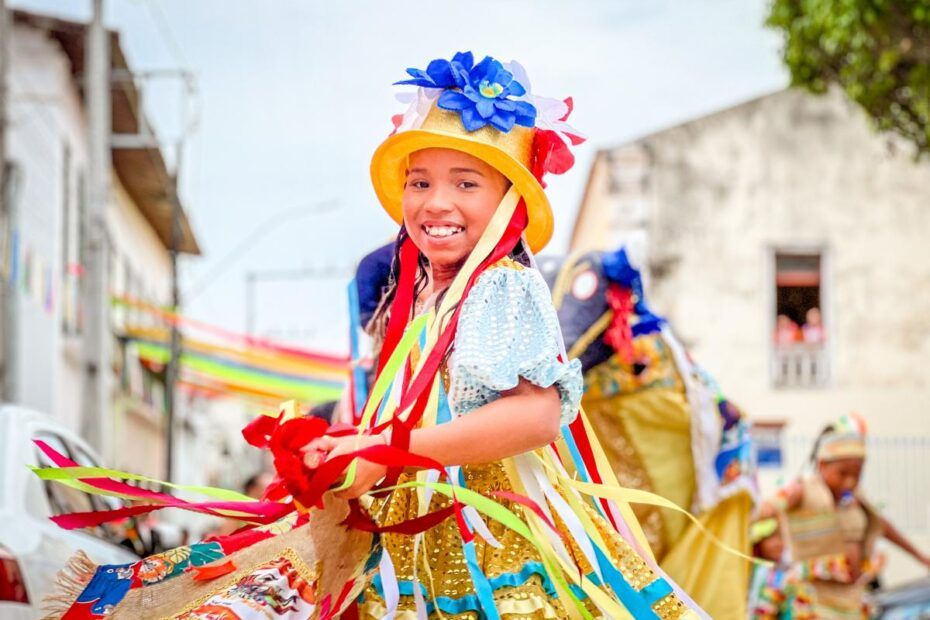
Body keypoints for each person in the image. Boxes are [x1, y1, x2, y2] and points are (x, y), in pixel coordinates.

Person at [40, 52, 705, 619]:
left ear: (507, 201)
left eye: (464, 182)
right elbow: (388, 416)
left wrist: (389, 450)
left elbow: (536, 414)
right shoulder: (418, 299)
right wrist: (341, 452)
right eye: (420, 181)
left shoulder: (502, 283)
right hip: (408, 548)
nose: (435, 201)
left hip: (494, 543)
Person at [758, 414, 930, 619]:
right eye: (842, 473)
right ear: (822, 465)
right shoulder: (802, 491)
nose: (849, 482)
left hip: (853, 600)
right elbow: (763, 511)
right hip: (814, 599)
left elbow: (883, 527)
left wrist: (922, 558)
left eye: (857, 475)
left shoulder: (857, 500)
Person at [746, 518, 814, 619]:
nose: (778, 544)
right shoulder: (759, 571)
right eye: (771, 538)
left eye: (781, 537)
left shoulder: (782, 568)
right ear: (759, 543)